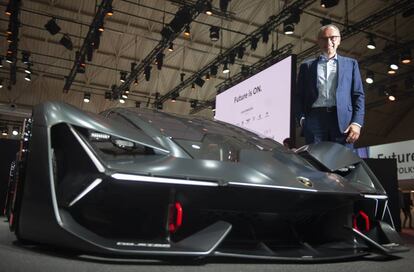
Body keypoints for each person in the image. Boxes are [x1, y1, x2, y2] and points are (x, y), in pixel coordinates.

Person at [295, 24, 365, 149]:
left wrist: (357, 123)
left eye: (332, 37)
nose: (329, 41)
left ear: (339, 39)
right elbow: (298, 96)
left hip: (343, 121)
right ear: (318, 41)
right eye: (324, 38)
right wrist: (302, 120)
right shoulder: (307, 66)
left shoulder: (351, 64)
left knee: (343, 163)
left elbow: (358, 95)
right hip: (314, 119)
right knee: (316, 162)